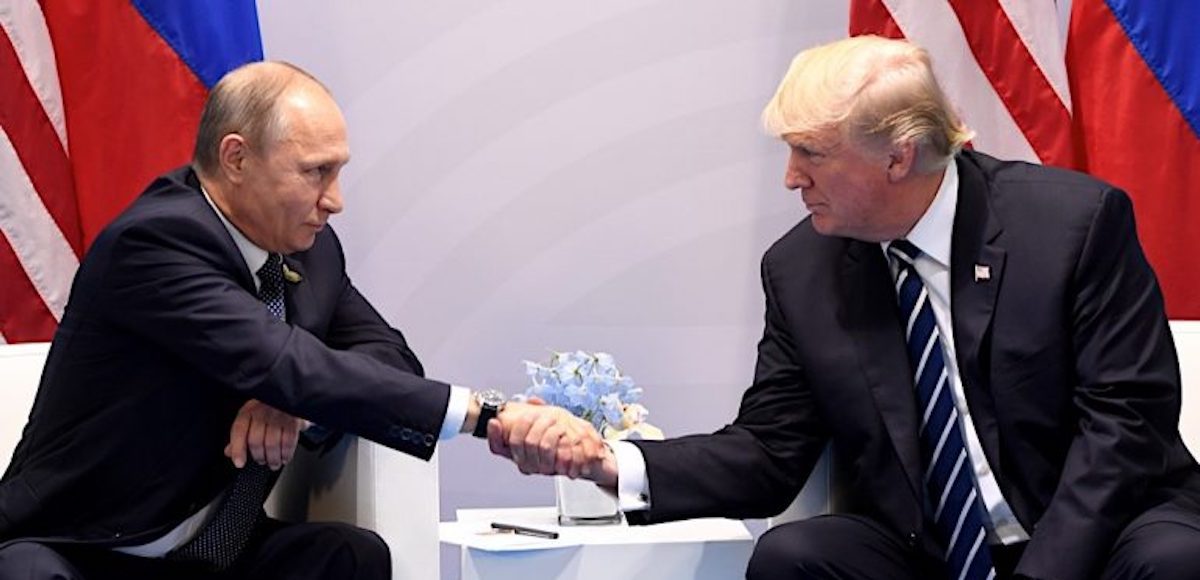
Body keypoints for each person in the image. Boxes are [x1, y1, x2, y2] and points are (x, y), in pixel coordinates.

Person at [497, 36, 1200, 580]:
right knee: (797, 556)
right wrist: (610, 463)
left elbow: (1125, 424)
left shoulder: (1072, 225)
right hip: (930, 547)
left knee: (1175, 562)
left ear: (898, 158)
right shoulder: (803, 269)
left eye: (811, 154)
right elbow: (770, 450)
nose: (790, 178)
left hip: (1099, 533)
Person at [0, 61, 600, 580]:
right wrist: (488, 414)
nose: (335, 199)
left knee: (348, 555)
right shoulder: (156, 242)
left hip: (214, 554)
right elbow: (282, 360)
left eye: (337, 171)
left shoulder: (310, 247)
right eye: (316, 172)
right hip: (87, 547)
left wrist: (295, 402)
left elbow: (385, 355)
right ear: (236, 158)